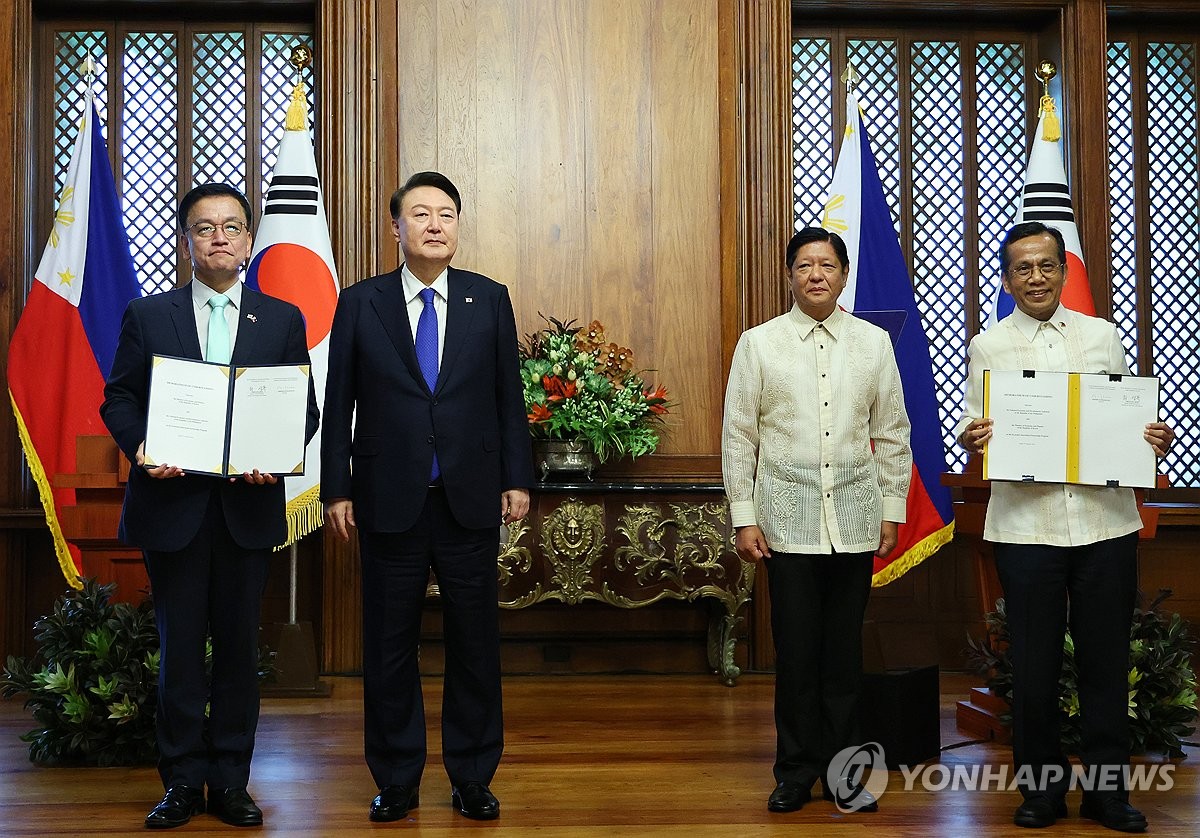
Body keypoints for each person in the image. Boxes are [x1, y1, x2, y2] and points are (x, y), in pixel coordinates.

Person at [101, 182, 320, 829]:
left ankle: (230, 783)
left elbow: (300, 408)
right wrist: (142, 447)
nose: (219, 236)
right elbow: (119, 399)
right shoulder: (150, 315)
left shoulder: (281, 320)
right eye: (205, 227)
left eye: (231, 226)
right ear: (188, 242)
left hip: (246, 510)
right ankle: (179, 783)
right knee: (179, 652)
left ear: (250, 241)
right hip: (173, 507)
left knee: (235, 654)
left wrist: (275, 453)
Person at [321, 171, 534, 823]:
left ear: (457, 227)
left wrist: (517, 478)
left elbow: (508, 398)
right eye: (420, 213)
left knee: (475, 643)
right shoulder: (361, 303)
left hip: (469, 500)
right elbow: (339, 406)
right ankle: (397, 777)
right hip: (387, 498)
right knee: (389, 646)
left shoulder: (488, 299)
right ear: (397, 228)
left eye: (446, 213)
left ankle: (472, 776)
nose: (435, 223)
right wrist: (336, 489)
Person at [956, 221, 1175, 833]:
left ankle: (1108, 795)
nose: (1035, 278)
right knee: (1032, 665)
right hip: (1027, 527)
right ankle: (1042, 793)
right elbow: (980, 428)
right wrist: (977, 438)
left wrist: (1149, 437)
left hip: (1105, 525)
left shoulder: (1103, 338)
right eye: (1022, 268)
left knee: (1106, 662)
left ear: (1063, 271)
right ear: (1008, 277)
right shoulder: (988, 347)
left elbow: (1125, 419)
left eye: (1046, 266)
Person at [721, 226, 911, 814]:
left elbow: (894, 432)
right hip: (785, 524)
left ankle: (845, 773)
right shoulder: (759, 344)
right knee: (797, 656)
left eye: (827, 265)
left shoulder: (874, 343)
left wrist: (893, 508)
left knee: (844, 658)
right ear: (789, 274)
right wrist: (744, 517)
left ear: (844, 273)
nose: (816, 275)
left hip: (854, 519)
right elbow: (739, 436)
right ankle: (795, 771)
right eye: (804, 266)